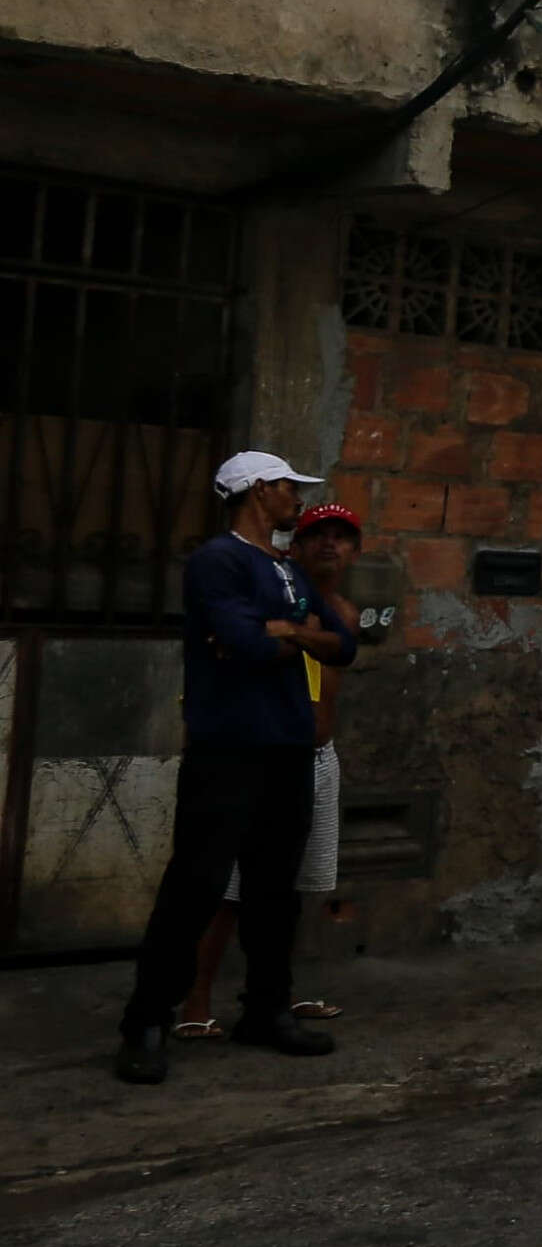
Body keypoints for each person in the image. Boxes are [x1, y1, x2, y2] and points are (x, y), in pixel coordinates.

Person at [117, 452, 354, 1083]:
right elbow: (241, 642)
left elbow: (345, 644)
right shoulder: (217, 561)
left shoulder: (291, 569)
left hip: (288, 751)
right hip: (227, 750)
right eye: (286, 487)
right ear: (255, 491)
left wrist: (290, 632)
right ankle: (146, 1020)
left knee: (274, 894)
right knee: (195, 887)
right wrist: (289, 634)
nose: (296, 499)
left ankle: (266, 1011)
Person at [177, 502, 364, 1040]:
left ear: (356, 551)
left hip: (315, 758)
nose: (330, 545)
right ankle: (195, 999)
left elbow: (336, 662)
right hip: (257, 754)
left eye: (342, 537)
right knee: (226, 890)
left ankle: (273, 995)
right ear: (294, 547)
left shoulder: (344, 615)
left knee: (288, 888)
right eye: (318, 535)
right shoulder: (264, 597)